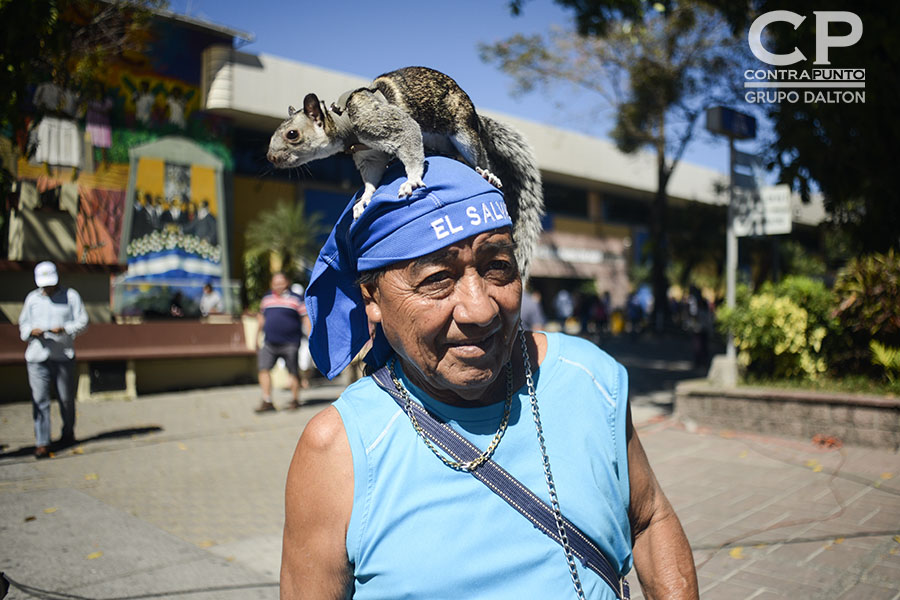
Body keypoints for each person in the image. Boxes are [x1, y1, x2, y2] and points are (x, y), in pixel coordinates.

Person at [282, 157, 698, 599]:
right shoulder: (340, 449)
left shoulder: (590, 378)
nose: (480, 310)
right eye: (437, 279)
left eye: (497, 265)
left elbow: (650, 518)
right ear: (372, 298)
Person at [18, 262, 89, 458]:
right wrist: (31, 332)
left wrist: (65, 328)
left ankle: (68, 434)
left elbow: (83, 322)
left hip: (63, 356)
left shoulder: (71, 296)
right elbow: (23, 325)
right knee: (40, 400)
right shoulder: (32, 299)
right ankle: (43, 442)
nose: (48, 288)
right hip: (37, 356)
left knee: (66, 399)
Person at [255, 272, 310, 412]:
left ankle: (295, 399)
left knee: (292, 371)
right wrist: (256, 336)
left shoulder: (296, 299)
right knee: (263, 369)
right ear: (271, 284)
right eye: (275, 282)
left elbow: (305, 319)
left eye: (281, 282)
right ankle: (267, 400)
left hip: (290, 343)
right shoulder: (266, 298)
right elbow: (261, 318)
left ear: (287, 282)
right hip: (269, 342)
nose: (278, 284)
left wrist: (311, 336)